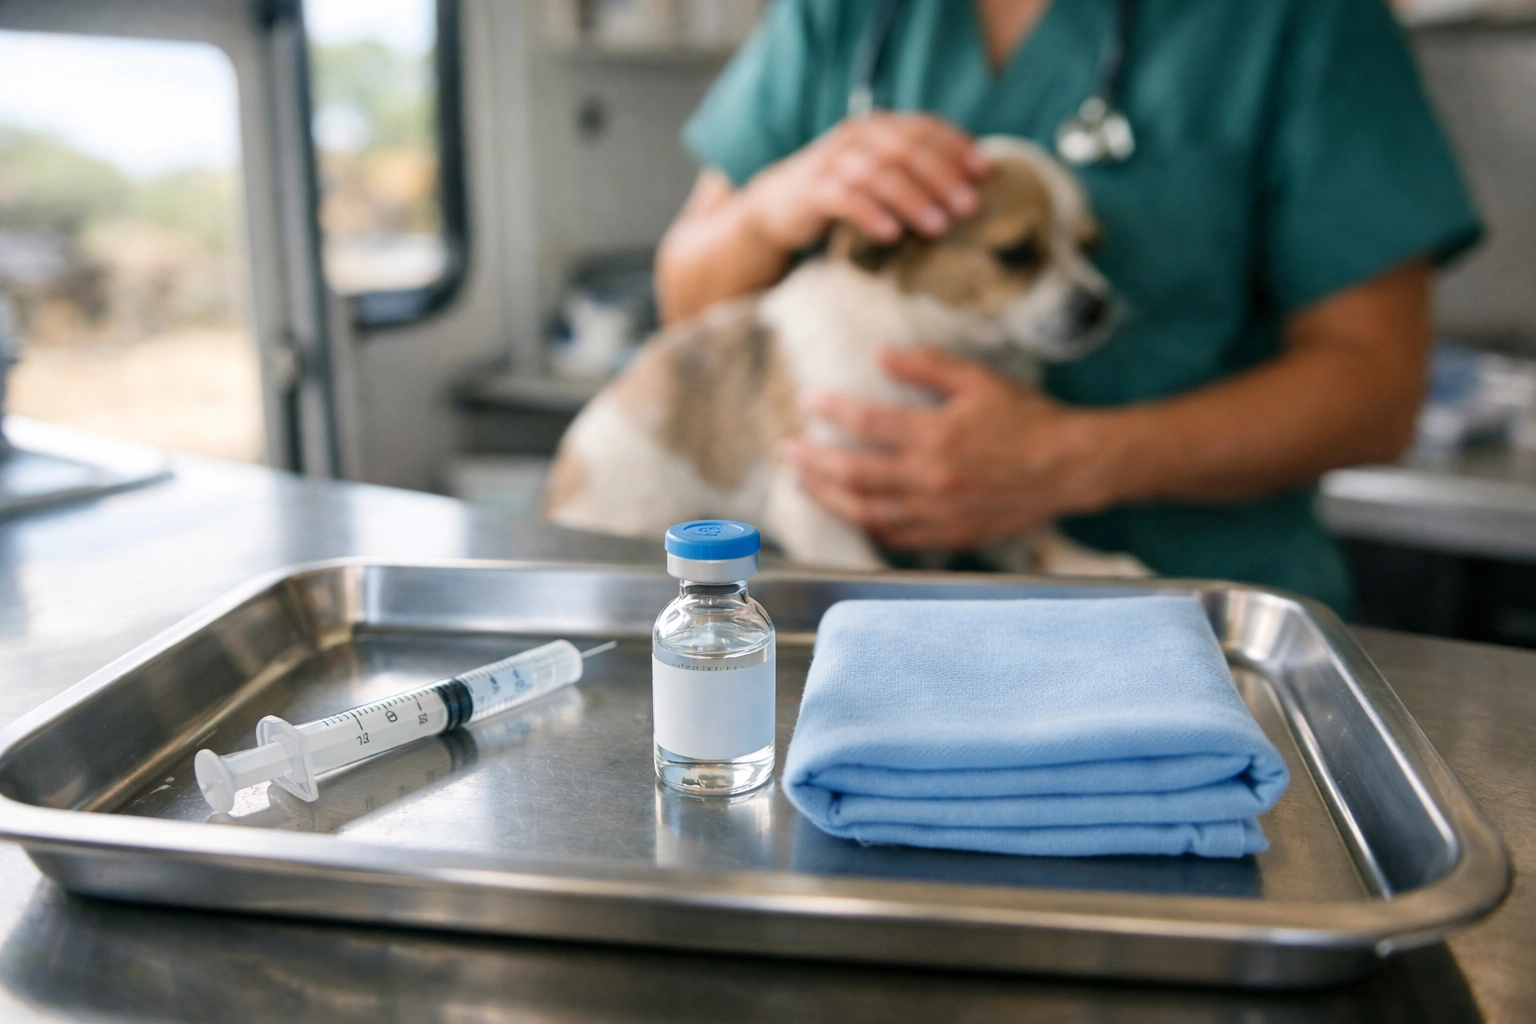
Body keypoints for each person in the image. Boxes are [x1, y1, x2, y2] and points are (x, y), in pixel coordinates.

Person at [653, 0, 1479, 614]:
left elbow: (1378, 386)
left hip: (1186, 619)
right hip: (840, 635)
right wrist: (776, 202)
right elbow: (687, 305)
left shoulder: (1299, 23)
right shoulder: (839, 14)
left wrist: (1075, 459)